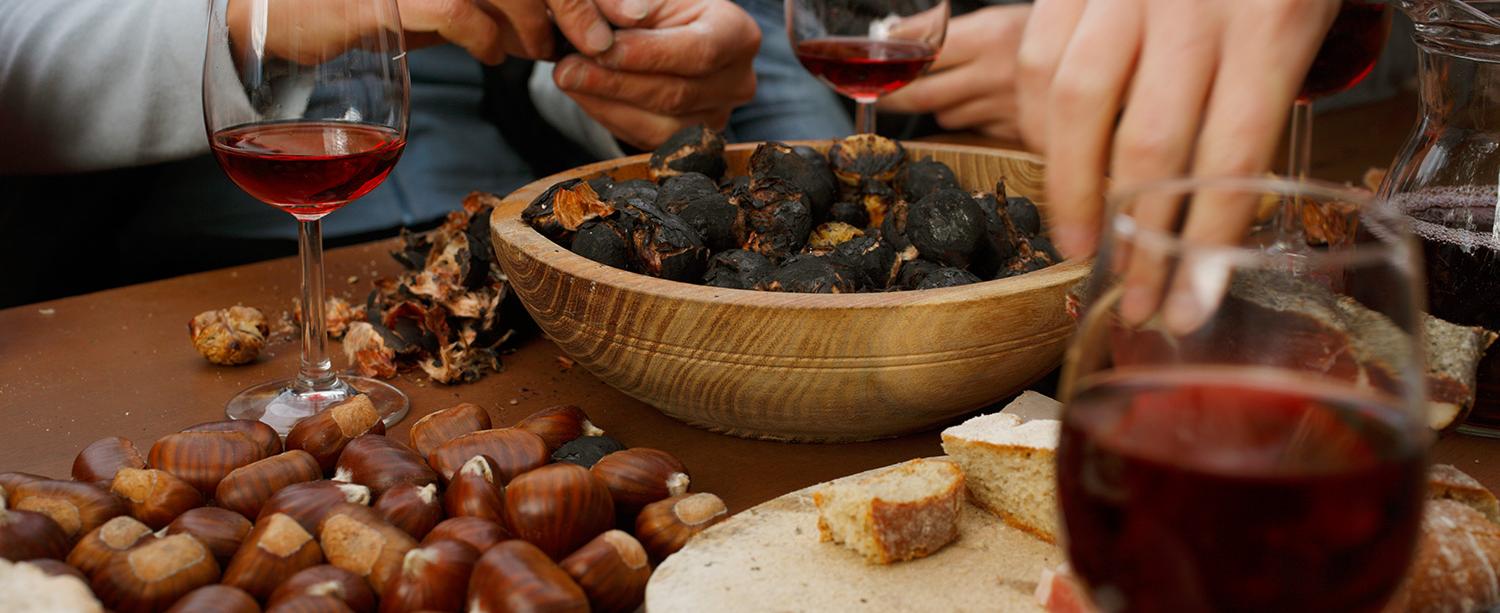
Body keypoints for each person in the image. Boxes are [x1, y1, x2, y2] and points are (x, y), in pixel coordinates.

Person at [0, 0, 848, 307]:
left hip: (502, 248)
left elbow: (747, 72)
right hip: (155, 278)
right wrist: (261, 17)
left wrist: (644, 71)